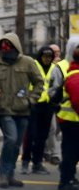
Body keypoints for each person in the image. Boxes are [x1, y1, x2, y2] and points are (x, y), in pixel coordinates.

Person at [0, 33, 44, 188]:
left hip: (23, 110)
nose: (5, 50)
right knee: (11, 139)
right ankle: (3, 174)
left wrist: (30, 100)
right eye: (2, 47)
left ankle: (10, 174)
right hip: (4, 111)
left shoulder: (28, 62)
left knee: (16, 144)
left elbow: (39, 82)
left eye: (8, 46)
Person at [20, 46, 63, 175]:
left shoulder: (55, 69)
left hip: (47, 106)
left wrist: (55, 102)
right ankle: (25, 161)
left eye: (50, 57)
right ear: (40, 56)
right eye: (45, 56)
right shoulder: (34, 66)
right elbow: (25, 84)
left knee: (42, 136)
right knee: (30, 134)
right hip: (34, 105)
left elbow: (58, 86)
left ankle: (37, 163)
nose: (47, 59)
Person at [58, 46, 79, 190]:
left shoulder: (74, 73)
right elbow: (77, 101)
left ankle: (68, 176)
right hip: (72, 121)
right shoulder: (76, 76)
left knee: (71, 151)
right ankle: (66, 180)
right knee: (71, 152)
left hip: (71, 120)